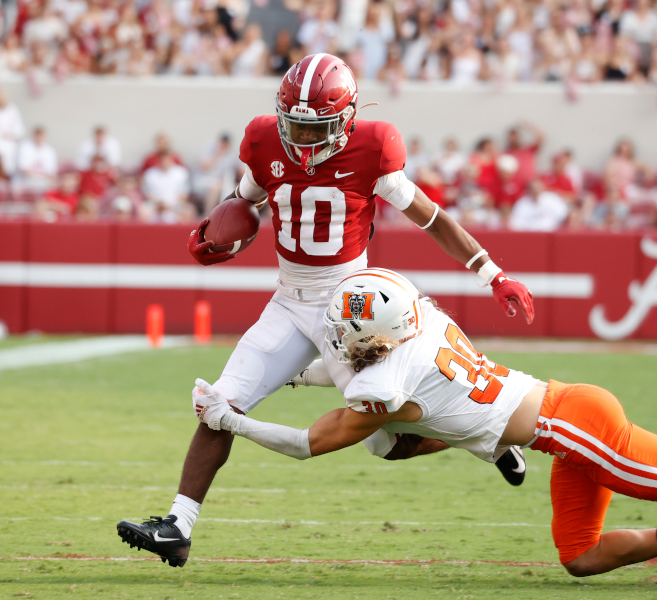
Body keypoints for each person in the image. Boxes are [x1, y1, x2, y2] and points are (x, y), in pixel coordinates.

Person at [117, 53, 535, 568]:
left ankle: (481, 442)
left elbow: (432, 219)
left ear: (347, 118)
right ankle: (177, 526)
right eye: (293, 124)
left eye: (314, 129)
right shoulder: (265, 138)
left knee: (386, 444)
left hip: (351, 311)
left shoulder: (372, 147)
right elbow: (244, 199)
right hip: (288, 301)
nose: (301, 139)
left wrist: (492, 273)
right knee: (219, 402)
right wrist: (221, 227)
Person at [192, 267, 657, 588]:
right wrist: (297, 379)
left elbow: (306, 445)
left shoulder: (385, 385)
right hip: (557, 424)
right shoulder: (418, 325)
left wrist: (231, 419)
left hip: (577, 425)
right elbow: (352, 376)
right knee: (580, 558)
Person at [15, 126, 59, 190]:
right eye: (37, 136)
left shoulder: (50, 151)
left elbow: (52, 172)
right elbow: (23, 169)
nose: (39, 138)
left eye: (41, 136)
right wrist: (37, 176)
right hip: (25, 180)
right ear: (33, 136)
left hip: (43, 181)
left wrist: (45, 178)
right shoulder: (25, 148)